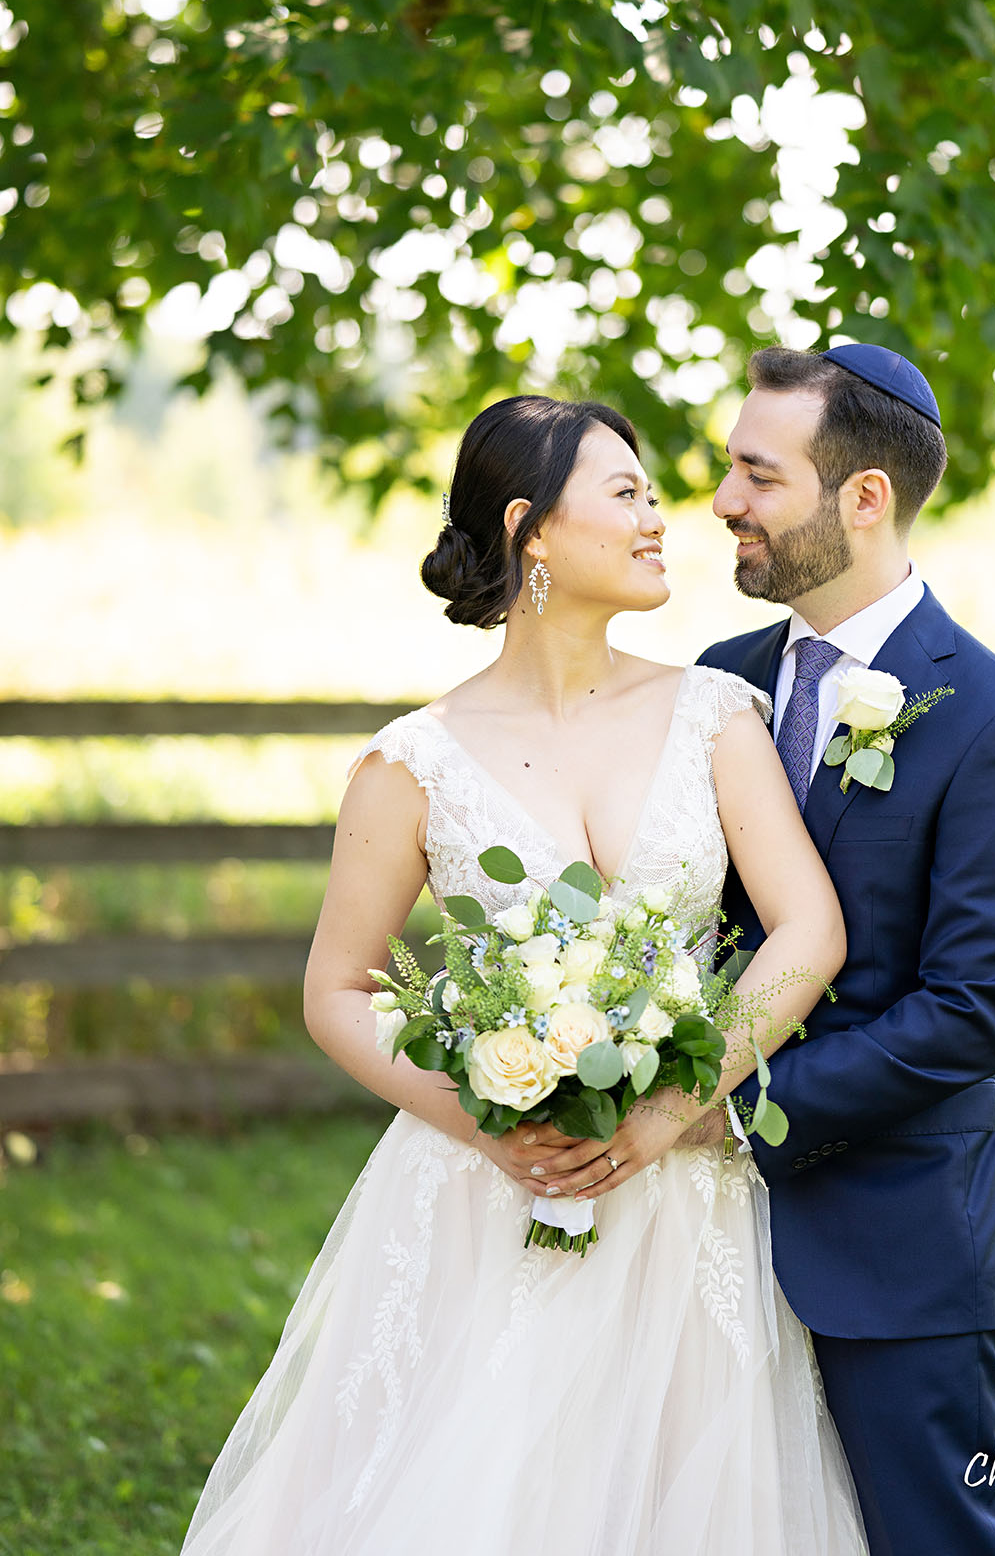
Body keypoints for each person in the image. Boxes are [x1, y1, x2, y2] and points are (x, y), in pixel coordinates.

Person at [180, 393, 868, 1556]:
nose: (661, 519)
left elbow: (808, 931)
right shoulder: (413, 763)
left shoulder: (714, 715)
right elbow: (337, 989)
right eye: (625, 495)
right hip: (478, 1194)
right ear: (531, 529)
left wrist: (673, 1109)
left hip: (681, 1192)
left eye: (652, 496)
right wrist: (487, 1121)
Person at [699, 343, 995, 1556]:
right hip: (695, 1231)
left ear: (861, 498)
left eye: (758, 474)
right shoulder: (718, 686)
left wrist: (735, 1105)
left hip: (897, 1233)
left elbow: (970, 1011)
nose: (722, 503)